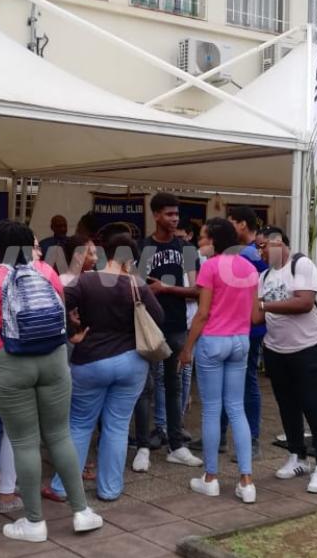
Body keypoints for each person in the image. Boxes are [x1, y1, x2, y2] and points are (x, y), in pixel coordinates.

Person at [0, 220, 103, 543]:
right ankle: (82, 512)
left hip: (10, 362)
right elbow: (60, 313)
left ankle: (33, 522)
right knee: (59, 435)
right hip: (54, 359)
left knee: (24, 442)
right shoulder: (46, 271)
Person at [44, 225, 162, 502]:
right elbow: (159, 318)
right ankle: (110, 489)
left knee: (80, 424)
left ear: (105, 254)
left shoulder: (84, 282)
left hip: (90, 361)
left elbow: (55, 305)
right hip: (132, 362)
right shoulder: (137, 285)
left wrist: (72, 333)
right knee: (118, 426)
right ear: (130, 260)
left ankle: (62, 487)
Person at [179, 218, 259, 503]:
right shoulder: (250, 268)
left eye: (202, 238)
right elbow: (255, 315)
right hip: (241, 341)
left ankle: (211, 478)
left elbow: (202, 313)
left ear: (213, 240)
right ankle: (247, 482)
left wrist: (187, 348)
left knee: (212, 410)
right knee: (237, 409)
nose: (199, 243)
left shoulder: (210, 267)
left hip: (213, 341)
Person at [253, 227, 317, 494]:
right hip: (276, 350)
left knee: (314, 406)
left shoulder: (301, 264)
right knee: (287, 406)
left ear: (278, 243)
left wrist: (263, 305)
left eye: (263, 245)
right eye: (258, 247)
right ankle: (297, 456)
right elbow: (256, 317)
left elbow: (304, 303)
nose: (260, 251)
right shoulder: (263, 276)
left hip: (308, 348)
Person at [133, 193, 204, 472]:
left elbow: (197, 290)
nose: (174, 219)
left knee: (174, 389)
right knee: (144, 388)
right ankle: (142, 446)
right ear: (156, 215)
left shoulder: (187, 248)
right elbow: (135, 287)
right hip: (148, 328)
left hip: (175, 327)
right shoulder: (144, 248)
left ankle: (177, 445)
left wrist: (166, 288)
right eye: (169, 214)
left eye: (176, 215)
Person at [226, 206, 268, 458]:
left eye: (232, 222)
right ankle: (222, 435)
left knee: (246, 380)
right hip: (241, 325)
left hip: (249, 326)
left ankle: (251, 438)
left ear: (242, 225)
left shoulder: (251, 254)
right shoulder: (249, 252)